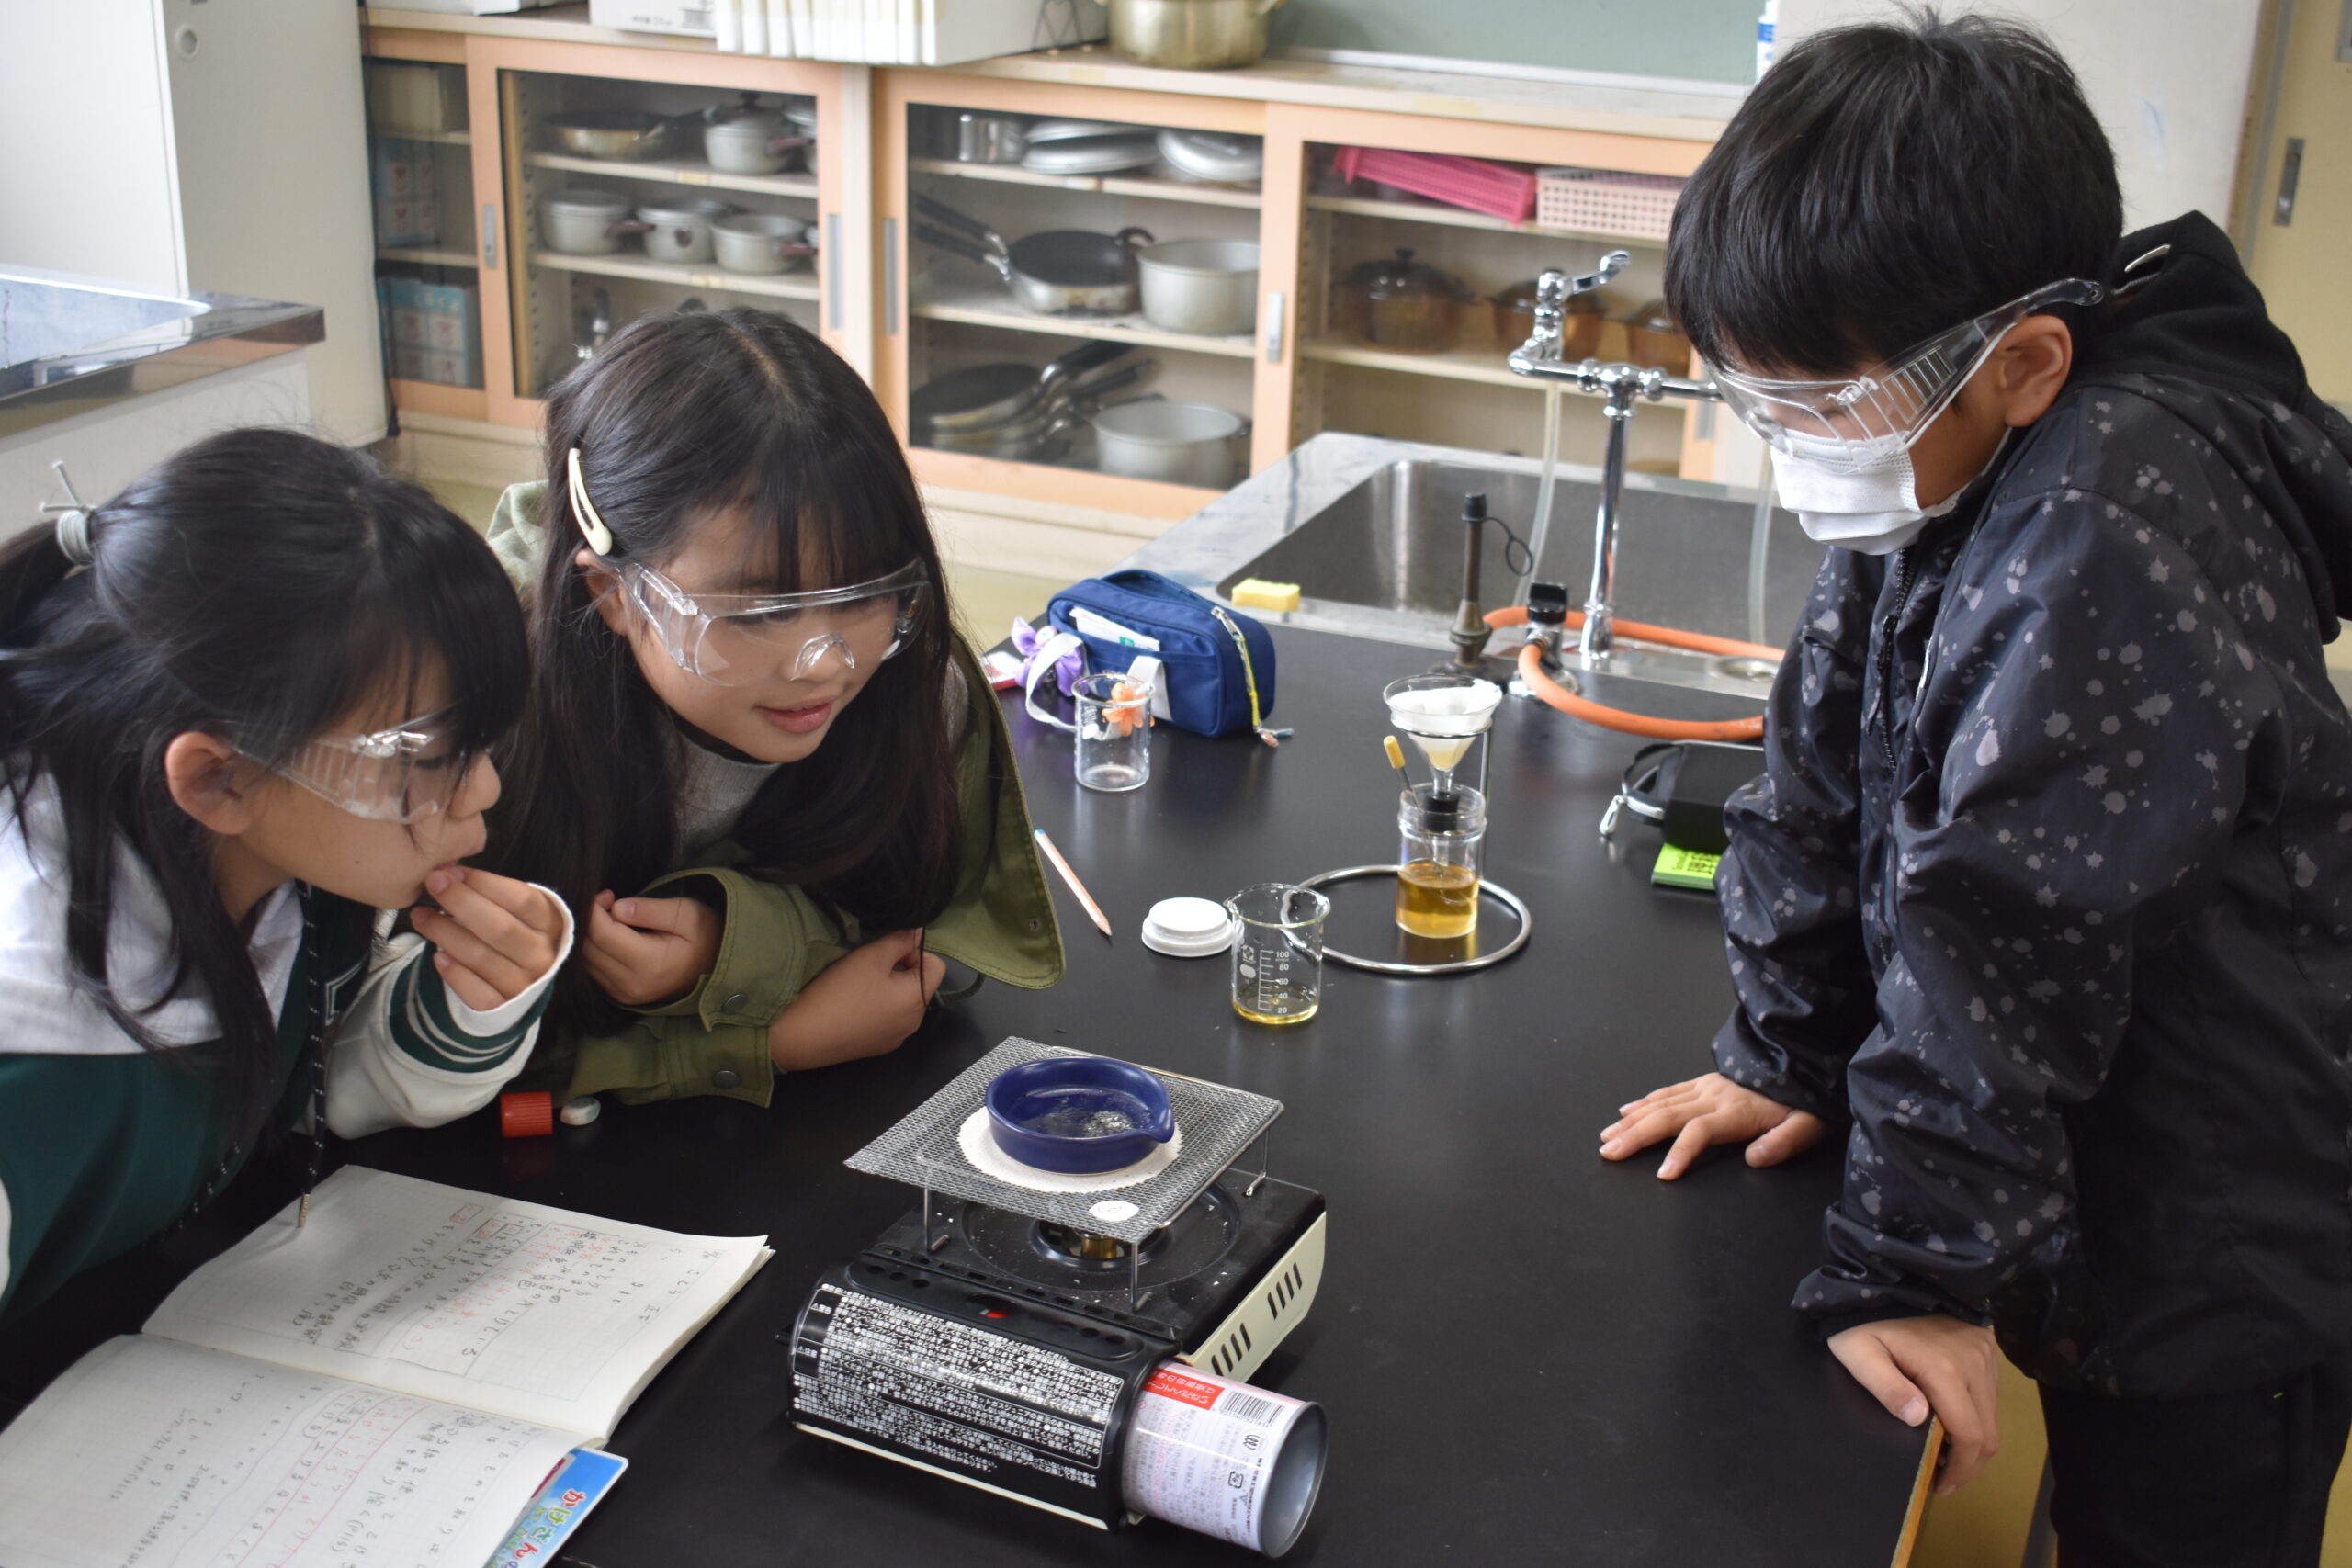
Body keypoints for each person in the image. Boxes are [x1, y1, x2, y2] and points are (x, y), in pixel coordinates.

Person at [1595, 11, 2352, 1562]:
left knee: (2176, 1516)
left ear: (2025, 363)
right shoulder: (1952, 442)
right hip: (2088, 1127)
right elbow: (1825, 755)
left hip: (2226, 1198)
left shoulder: (2110, 518)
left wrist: (1912, 1270)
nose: (1794, 450)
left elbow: (2014, 918)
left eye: (1819, 408)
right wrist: (1789, 1050)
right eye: (1758, 403)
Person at [0, 430, 572, 1318]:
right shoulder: (30, 1044)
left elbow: (301, 1089)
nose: (486, 789)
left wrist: (466, 1006)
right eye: (431, 757)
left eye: (482, 743)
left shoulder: (287, 861)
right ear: (217, 779)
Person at [482, 307, 1062, 1108]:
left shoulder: (919, 686)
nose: (824, 663)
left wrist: (726, 949)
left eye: (863, 594)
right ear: (612, 593)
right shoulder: (477, 727)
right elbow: (428, 1053)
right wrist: (771, 1042)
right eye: (759, 613)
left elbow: (910, 918)